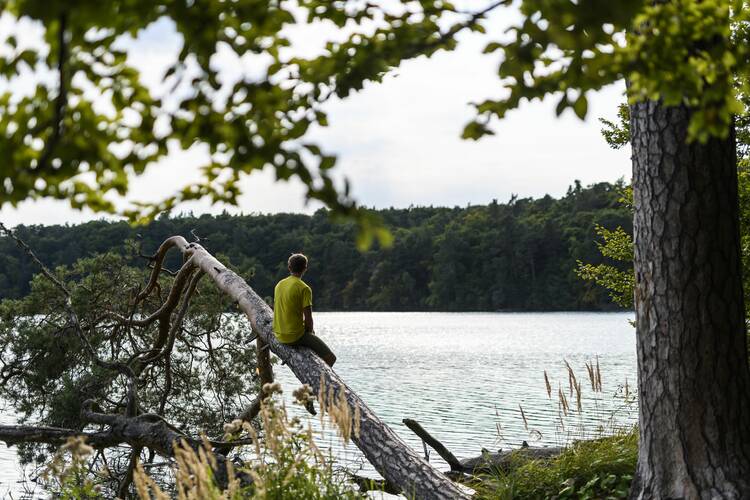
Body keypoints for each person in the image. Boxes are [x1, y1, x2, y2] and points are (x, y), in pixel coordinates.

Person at [273, 253, 336, 367]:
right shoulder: (304, 288)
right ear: (305, 268)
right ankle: (318, 380)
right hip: (294, 337)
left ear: (289, 267)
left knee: (312, 338)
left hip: (278, 335)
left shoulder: (279, 285)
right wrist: (310, 333)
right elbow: (308, 319)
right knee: (331, 358)